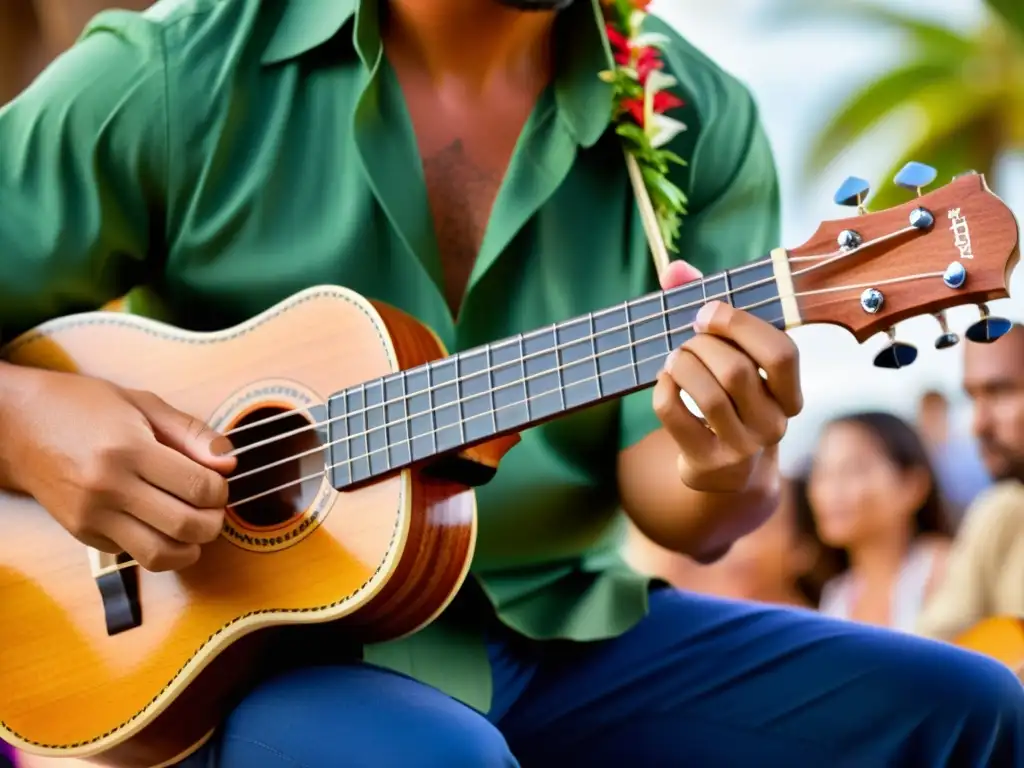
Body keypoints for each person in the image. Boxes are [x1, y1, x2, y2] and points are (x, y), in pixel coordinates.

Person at [0, 1, 1021, 766]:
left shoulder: (691, 112)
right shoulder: (178, 76)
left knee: (973, 712)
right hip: (252, 659)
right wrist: (31, 418)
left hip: (564, 629)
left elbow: (686, 507)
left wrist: (732, 455)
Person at [916, 324, 1024, 643]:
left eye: (1000, 391)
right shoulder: (1000, 513)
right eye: (971, 398)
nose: (978, 424)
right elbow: (933, 648)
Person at [807, 412, 952, 632]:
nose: (831, 491)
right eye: (822, 472)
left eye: (853, 470)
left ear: (912, 485)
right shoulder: (836, 597)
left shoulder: (944, 570)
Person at [916, 389, 991, 525]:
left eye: (936, 414)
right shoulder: (918, 458)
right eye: (928, 415)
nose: (932, 422)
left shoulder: (967, 456)